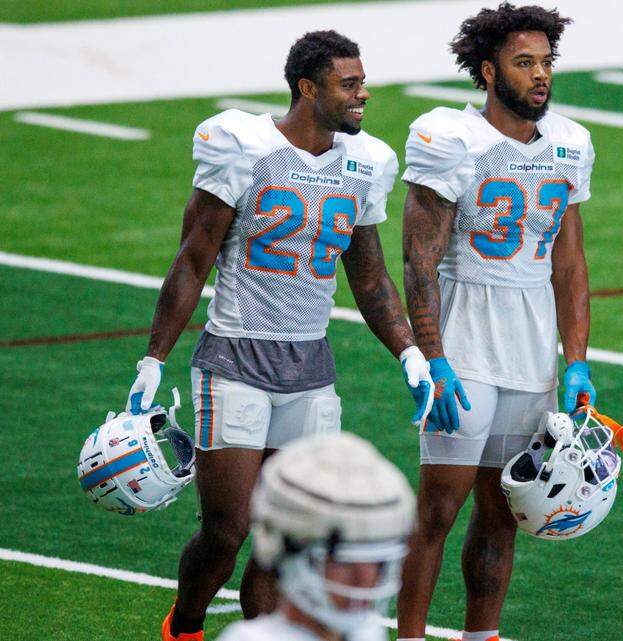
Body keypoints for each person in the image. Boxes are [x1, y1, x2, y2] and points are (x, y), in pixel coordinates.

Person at [125, 30, 433, 641]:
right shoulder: (244, 146)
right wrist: (153, 360)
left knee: (289, 536)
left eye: (362, 82)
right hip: (235, 359)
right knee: (229, 530)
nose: (363, 95)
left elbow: (369, 279)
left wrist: (411, 353)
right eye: (350, 84)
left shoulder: (364, 162)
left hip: (310, 368)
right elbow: (192, 261)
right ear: (307, 88)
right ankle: (183, 627)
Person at [396, 4, 595, 640]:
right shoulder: (452, 139)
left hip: (531, 354)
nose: (541, 75)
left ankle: (481, 635)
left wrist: (578, 358)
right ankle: (409, 636)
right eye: (524, 63)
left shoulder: (569, 143)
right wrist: (435, 357)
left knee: (503, 513)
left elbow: (569, 262)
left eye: (546, 62)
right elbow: (418, 261)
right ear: (488, 72)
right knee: (438, 509)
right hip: (466, 346)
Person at [216, 431, 415, 641]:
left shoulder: (367, 632)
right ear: (287, 548)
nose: (365, 580)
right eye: (343, 561)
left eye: (379, 561)